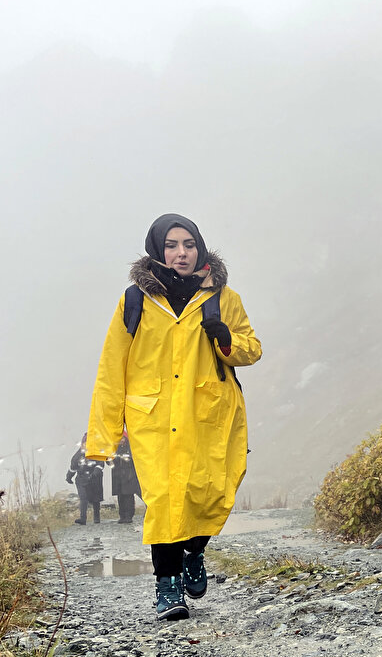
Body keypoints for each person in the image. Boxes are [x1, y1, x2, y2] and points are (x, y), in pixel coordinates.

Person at [86, 214, 262, 621]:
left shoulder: (224, 297)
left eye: (188, 244)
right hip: (154, 418)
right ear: (157, 250)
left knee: (214, 491)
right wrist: (103, 436)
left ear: (199, 248)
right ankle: (167, 586)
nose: (180, 253)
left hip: (210, 413)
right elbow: (112, 368)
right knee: (164, 501)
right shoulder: (135, 300)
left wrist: (225, 339)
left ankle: (193, 551)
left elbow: (251, 350)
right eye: (171, 245)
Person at [66, 433, 104, 524]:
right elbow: (73, 467)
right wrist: (69, 477)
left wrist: (96, 472)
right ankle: (83, 518)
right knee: (83, 498)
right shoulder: (78, 455)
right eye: (85, 443)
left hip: (94, 479)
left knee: (96, 499)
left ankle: (96, 518)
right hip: (81, 480)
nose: (86, 445)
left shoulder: (96, 453)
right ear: (82, 444)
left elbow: (101, 464)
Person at [111, 431, 141, 524]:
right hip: (118, 477)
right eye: (120, 439)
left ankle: (129, 516)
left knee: (128, 497)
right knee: (120, 497)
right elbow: (109, 461)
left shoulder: (131, 448)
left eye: (123, 438)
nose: (121, 440)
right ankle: (122, 516)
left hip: (129, 476)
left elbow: (134, 461)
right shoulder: (114, 449)